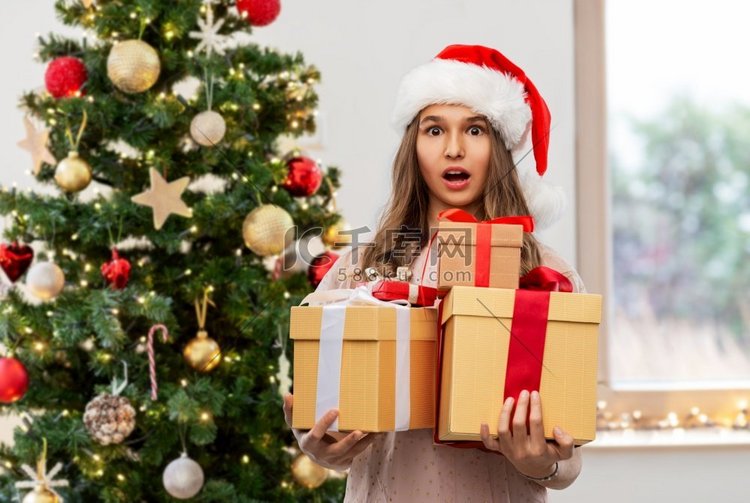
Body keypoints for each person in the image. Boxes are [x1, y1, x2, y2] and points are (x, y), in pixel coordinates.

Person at [283, 44, 584, 502]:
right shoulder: (361, 264)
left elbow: (570, 451)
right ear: (413, 146)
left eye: (475, 129)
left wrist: (545, 463)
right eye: (434, 129)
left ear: (499, 148)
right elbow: (321, 409)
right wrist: (320, 446)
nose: (454, 149)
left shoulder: (546, 272)